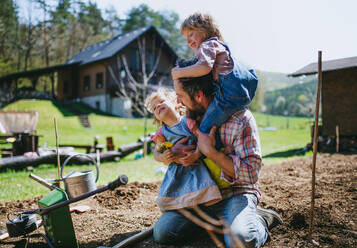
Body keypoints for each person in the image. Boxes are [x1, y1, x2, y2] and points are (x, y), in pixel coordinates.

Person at [153, 63, 283, 247]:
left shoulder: (240, 119)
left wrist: (211, 152)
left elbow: (251, 174)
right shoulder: (188, 120)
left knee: (240, 241)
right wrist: (170, 153)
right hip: (199, 198)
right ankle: (224, 224)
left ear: (198, 96)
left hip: (235, 194)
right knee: (163, 233)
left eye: (181, 96)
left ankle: (259, 221)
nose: (178, 103)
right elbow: (161, 146)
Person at [171, 12, 258, 140]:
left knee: (205, 128)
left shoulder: (207, 45)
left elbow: (204, 68)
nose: (188, 41)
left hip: (228, 96)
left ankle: (206, 151)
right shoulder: (219, 45)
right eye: (186, 38)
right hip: (239, 93)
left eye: (191, 34)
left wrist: (179, 72)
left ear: (205, 30)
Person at [144, 88, 222, 211]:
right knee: (174, 197)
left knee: (203, 194)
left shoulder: (187, 122)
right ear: (157, 118)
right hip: (176, 170)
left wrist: (196, 154)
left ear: (176, 104)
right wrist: (162, 157)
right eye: (154, 108)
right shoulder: (161, 133)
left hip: (194, 164)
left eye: (162, 101)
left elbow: (202, 139)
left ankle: (206, 211)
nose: (158, 106)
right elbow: (156, 152)